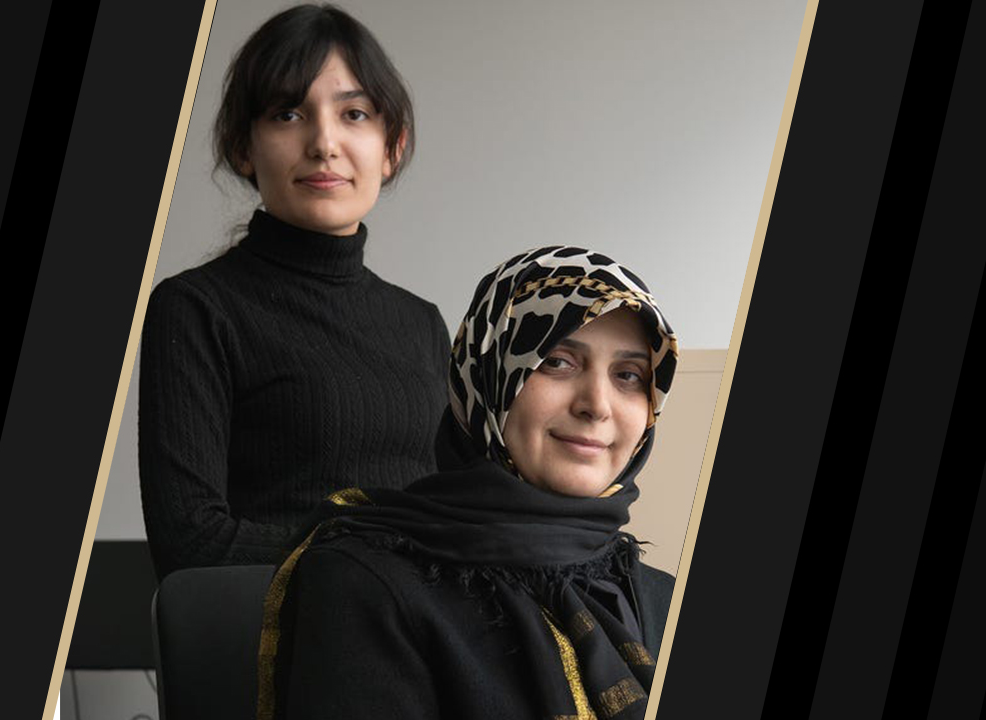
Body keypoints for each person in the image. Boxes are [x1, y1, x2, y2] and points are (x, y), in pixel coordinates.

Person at [259, 246, 681, 720]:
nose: (597, 405)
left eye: (629, 375)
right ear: (487, 375)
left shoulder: (658, 594)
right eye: (557, 362)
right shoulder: (365, 584)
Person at [139, 5, 450, 576]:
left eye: (354, 113)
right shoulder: (196, 308)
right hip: (286, 641)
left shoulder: (422, 322)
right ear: (242, 147)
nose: (324, 143)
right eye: (287, 114)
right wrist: (385, 565)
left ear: (392, 147)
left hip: (426, 634)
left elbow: (458, 513)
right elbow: (192, 539)